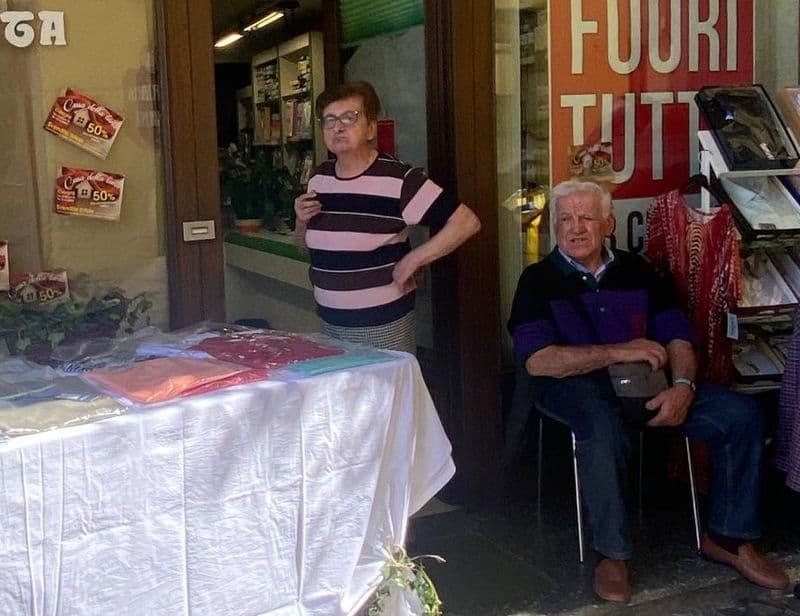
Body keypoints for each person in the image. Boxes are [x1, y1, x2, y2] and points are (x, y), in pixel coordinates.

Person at [507, 179, 789, 603]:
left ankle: (730, 539)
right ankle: (613, 553)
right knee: (602, 427)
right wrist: (622, 350)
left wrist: (682, 386)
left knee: (740, 415)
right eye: (565, 218)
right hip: (573, 388)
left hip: (647, 387)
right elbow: (538, 360)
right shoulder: (538, 279)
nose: (576, 228)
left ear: (609, 223)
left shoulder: (638, 271)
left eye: (586, 217)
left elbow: (676, 336)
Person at [294, 81, 480, 352]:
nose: (338, 127)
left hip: (383, 323)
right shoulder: (320, 179)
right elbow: (303, 248)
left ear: (371, 127)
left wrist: (413, 259)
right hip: (330, 322)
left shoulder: (400, 179)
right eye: (329, 120)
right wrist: (301, 220)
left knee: (385, 394)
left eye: (349, 117)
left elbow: (466, 222)